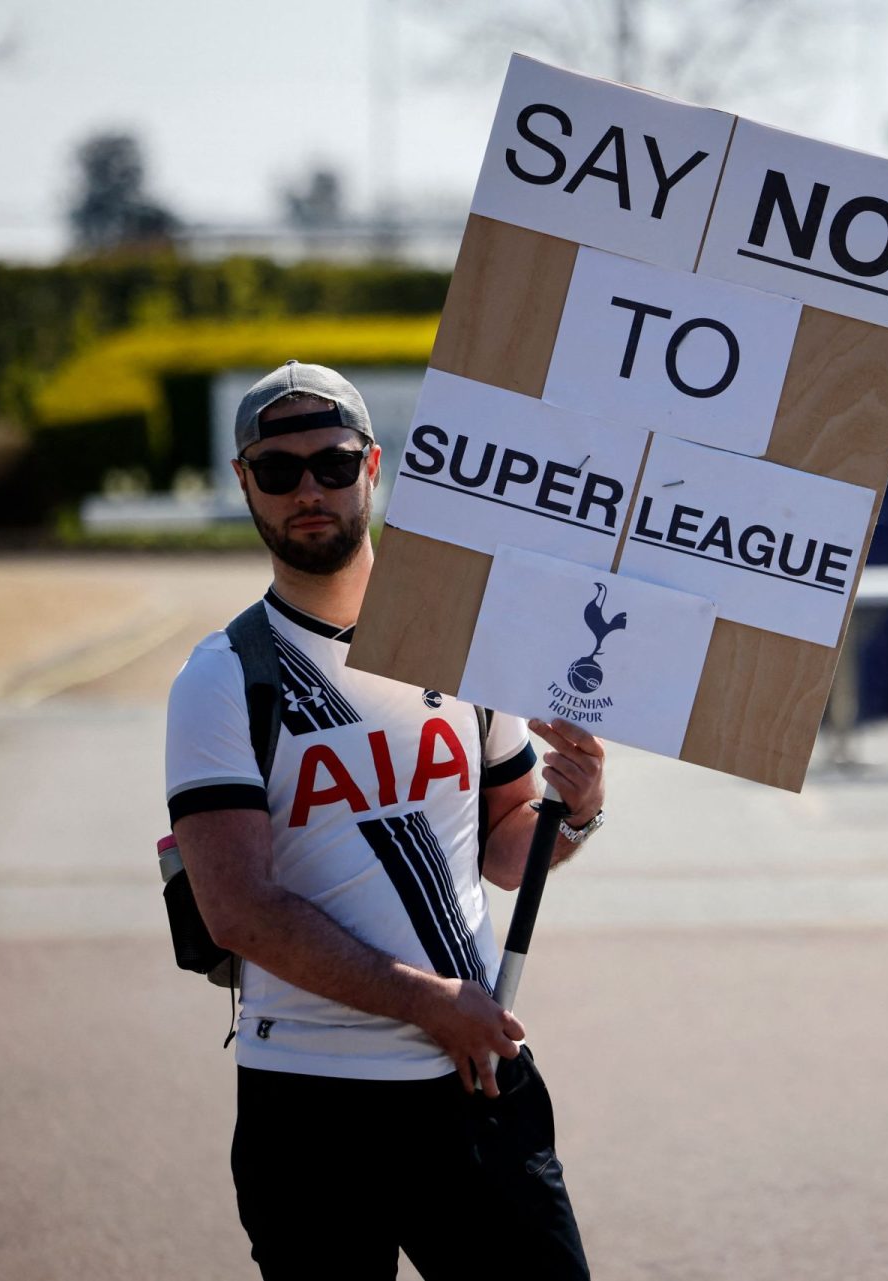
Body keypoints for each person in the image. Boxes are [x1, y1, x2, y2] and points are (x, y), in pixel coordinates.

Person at [165, 360, 600, 1278]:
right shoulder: (219, 677)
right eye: (278, 472)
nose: (308, 490)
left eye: (330, 462)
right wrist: (430, 1002)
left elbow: (510, 841)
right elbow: (236, 909)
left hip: (475, 1083)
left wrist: (578, 809)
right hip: (309, 1108)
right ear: (245, 482)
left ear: (372, 468)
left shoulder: (465, 639)